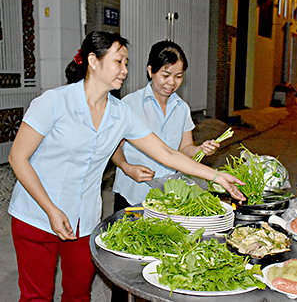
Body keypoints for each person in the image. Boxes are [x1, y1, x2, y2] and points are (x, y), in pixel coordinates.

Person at [7, 31, 245, 302]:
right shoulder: (54, 102)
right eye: (119, 62)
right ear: (93, 61)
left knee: (78, 293)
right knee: (36, 296)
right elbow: (18, 157)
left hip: (82, 217)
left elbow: (167, 153)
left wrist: (216, 176)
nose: (125, 70)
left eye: (126, 63)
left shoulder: (120, 113)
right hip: (36, 213)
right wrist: (50, 209)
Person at [111, 40, 220, 211]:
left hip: (167, 197)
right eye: (165, 75)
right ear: (150, 71)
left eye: (178, 76)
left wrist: (201, 150)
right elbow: (114, 147)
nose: (171, 83)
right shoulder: (130, 104)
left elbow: (185, 148)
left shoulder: (182, 108)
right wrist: (127, 167)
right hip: (133, 194)